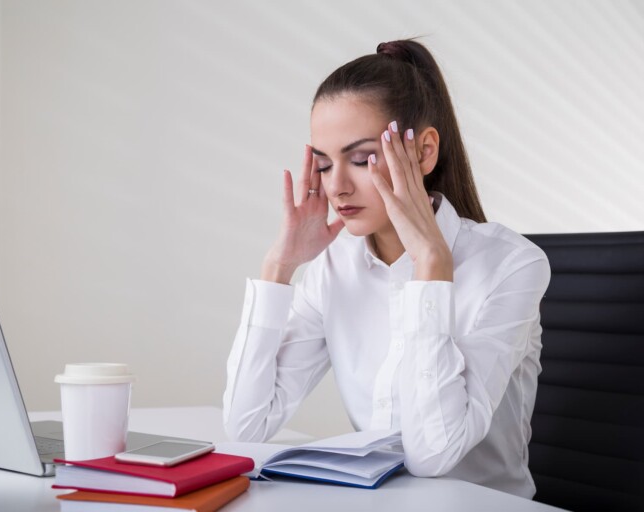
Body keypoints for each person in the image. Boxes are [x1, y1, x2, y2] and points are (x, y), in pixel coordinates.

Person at [222, 39, 550, 499]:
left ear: (424, 151)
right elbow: (245, 425)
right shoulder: (335, 266)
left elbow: (433, 455)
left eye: (360, 159)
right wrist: (280, 266)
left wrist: (432, 265)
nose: (336, 186)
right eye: (323, 164)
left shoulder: (512, 266)